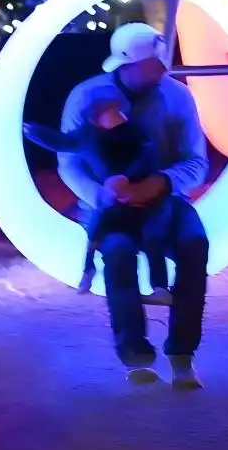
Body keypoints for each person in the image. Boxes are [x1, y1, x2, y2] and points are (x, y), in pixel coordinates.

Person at [56, 22, 210, 389]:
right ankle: (135, 355)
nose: (161, 66)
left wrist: (161, 182)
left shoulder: (178, 96)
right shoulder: (86, 97)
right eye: (152, 61)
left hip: (166, 200)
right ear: (126, 64)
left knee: (194, 244)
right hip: (111, 206)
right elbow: (69, 163)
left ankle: (182, 353)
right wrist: (106, 195)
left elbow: (197, 162)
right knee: (118, 251)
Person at [23, 89, 173, 305]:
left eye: (116, 110)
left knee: (152, 233)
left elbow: (148, 157)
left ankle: (160, 288)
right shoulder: (88, 136)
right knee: (99, 224)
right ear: (96, 117)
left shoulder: (136, 133)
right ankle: (88, 271)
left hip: (142, 191)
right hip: (113, 196)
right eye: (109, 111)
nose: (116, 115)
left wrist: (126, 178)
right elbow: (59, 141)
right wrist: (32, 131)